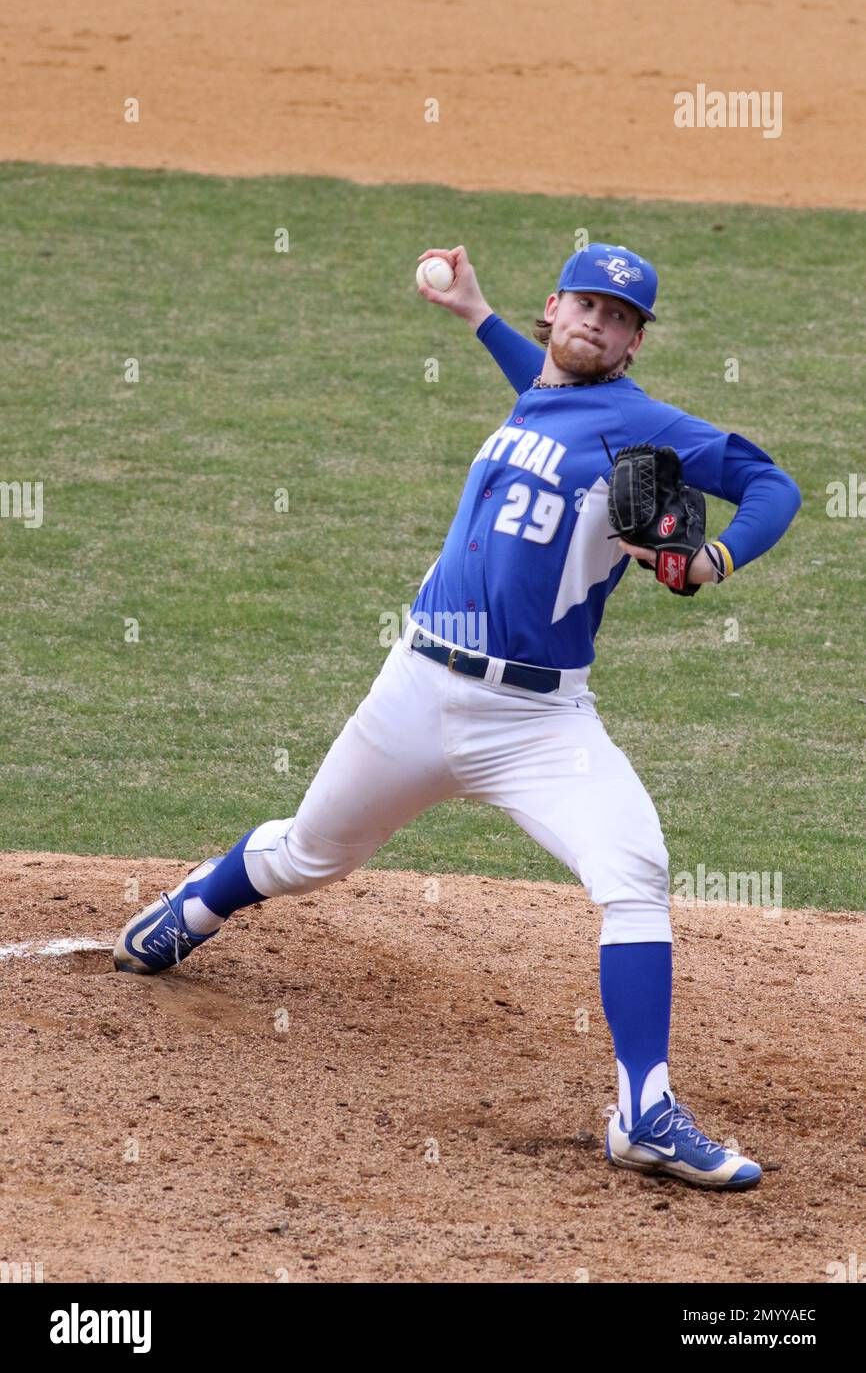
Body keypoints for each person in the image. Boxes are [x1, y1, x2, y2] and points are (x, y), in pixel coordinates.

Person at [115, 242, 800, 1189]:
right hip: (417, 688)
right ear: (554, 309)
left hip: (541, 723)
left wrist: (713, 560)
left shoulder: (645, 424)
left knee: (634, 867)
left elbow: (776, 485)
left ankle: (643, 1111)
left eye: (621, 317)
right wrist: (478, 315)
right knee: (309, 855)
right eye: (587, 305)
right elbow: (543, 390)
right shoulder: (543, 396)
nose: (599, 323)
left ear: (636, 343)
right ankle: (195, 904)